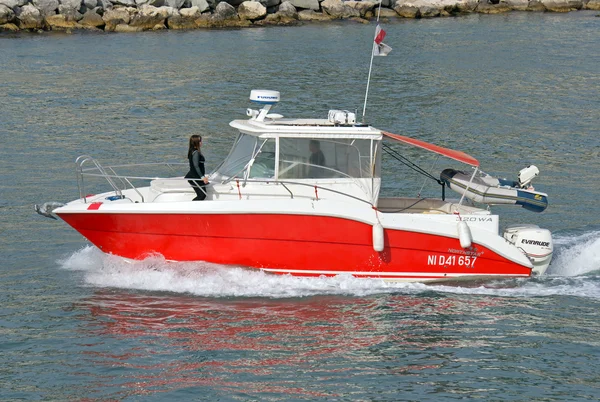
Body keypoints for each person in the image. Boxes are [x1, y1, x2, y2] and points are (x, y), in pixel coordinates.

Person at [184, 134, 209, 201]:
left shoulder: (192, 150)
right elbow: (196, 166)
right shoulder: (196, 153)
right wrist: (202, 177)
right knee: (202, 195)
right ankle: (190, 207)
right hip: (195, 177)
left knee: (202, 195)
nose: (201, 142)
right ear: (196, 142)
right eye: (200, 141)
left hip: (194, 176)